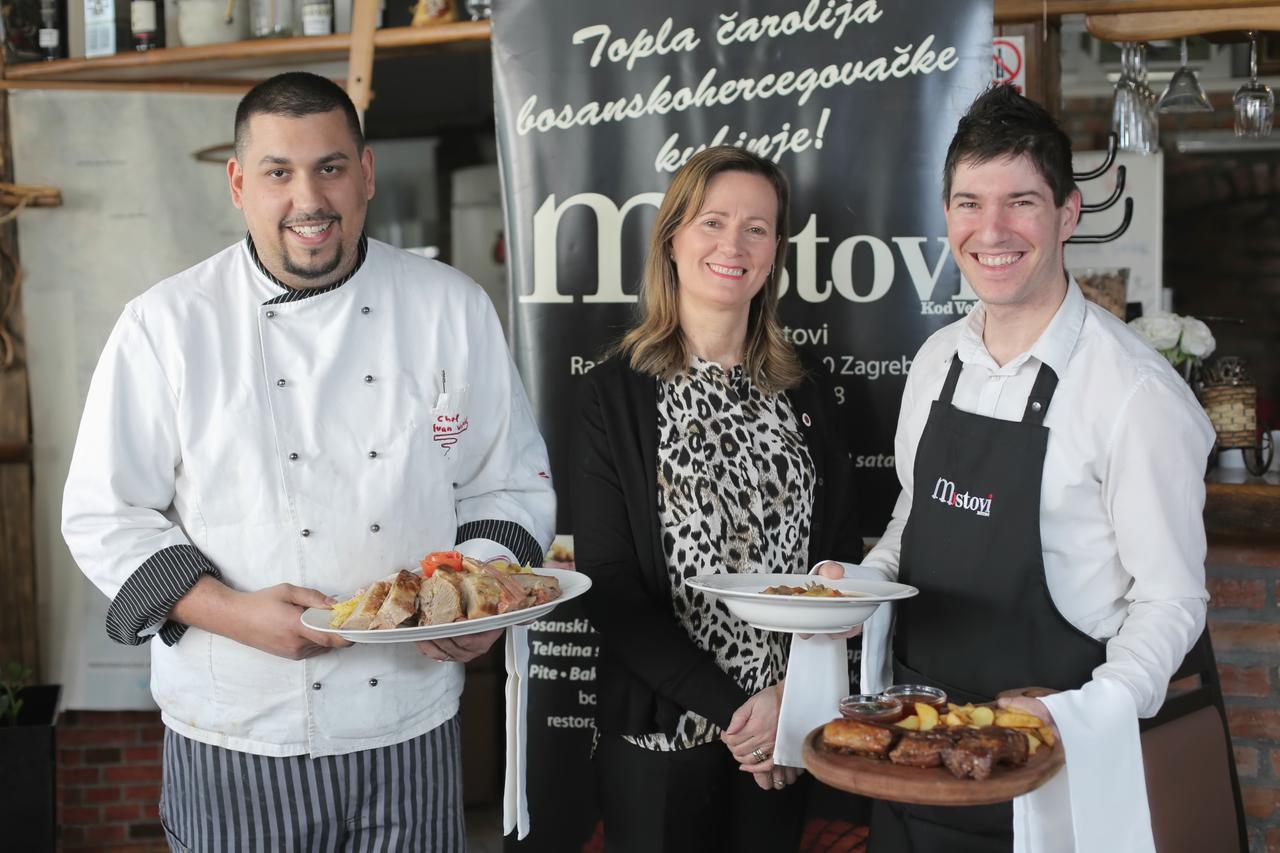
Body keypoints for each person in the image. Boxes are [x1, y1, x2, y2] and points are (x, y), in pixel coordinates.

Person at [62, 71, 555, 851]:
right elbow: (104, 512)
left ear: (365, 173)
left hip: (406, 719)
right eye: (278, 172)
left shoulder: (450, 306)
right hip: (235, 729)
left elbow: (507, 481)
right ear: (237, 183)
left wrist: (475, 596)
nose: (309, 200)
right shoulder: (166, 325)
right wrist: (232, 613)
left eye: (330, 167)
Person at [818, 84, 1243, 852]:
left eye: (1020, 201)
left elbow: (1172, 600)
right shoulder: (936, 361)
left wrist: (1090, 710)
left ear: (1068, 214)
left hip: (1057, 770)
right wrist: (858, 586)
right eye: (969, 203)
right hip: (916, 761)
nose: (992, 230)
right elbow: (913, 520)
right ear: (946, 215)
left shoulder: (1136, 394)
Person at [570, 145, 864, 853]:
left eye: (757, 228)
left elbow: (839, 562)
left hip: (788, 730)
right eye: (712, 222)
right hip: (665, 734)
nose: (734, 244)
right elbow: (610, 588)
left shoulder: (807, 392)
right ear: (672, 238)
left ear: (774, 252)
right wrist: (739, 711)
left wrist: (791, 699)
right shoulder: (613, 396)